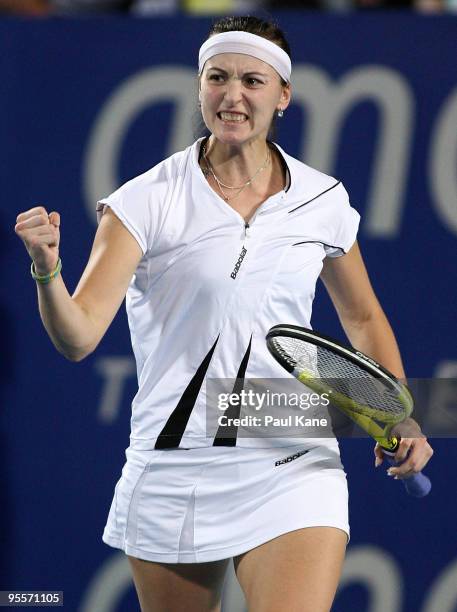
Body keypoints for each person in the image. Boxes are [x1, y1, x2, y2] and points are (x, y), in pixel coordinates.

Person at [15, 15, 433, 612]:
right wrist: (47, 270)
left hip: (292, 455)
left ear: (283, 96)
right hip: (174, 464)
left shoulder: (323, 201)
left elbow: (362, 318)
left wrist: (399, 410)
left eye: (253, 81)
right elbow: (78, 336)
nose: (233, 96)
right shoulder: (146, 200)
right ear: (200, 86)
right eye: (218, 78)